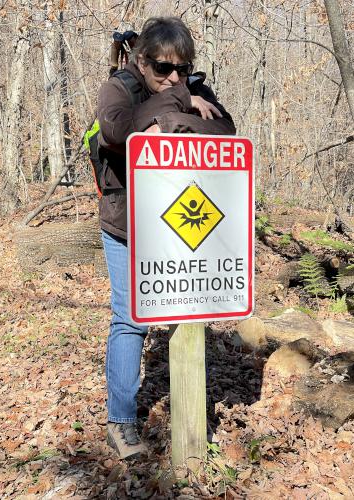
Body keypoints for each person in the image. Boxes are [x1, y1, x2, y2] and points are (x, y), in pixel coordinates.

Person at [97, 16, 236, 460]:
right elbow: (117, 130)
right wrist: (181, 104)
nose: (174, 77)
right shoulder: (119, 87)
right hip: (127, 225)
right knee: (131, 319)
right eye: (162, 69)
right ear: (141, 61)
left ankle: (190, 421)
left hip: (179, 224)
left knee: (186, 313)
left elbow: (226, 130)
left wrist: (168, 118)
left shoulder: (194, 87)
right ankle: (120, 422)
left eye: (182, 69)